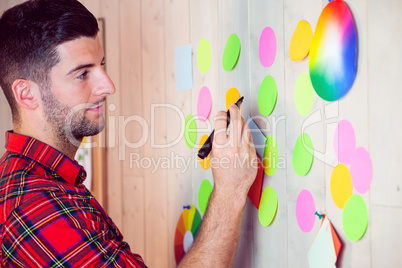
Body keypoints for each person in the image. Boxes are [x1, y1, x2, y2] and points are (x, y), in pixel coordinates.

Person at [0, 0, 258, 267]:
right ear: (26, 94)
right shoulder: (35, 206)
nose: (108, 85)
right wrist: (230, 191)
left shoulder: (45, 182)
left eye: (101, 64)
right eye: (82, 74)